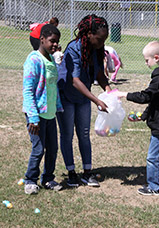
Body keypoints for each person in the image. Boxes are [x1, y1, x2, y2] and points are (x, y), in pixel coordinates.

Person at [115, 41, 159, 196]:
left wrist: (125, 94)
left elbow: (146, 96)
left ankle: (155, 187)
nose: (146, 63)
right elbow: (156, 102)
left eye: (147, 60)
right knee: (157, 156)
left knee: (152, 158)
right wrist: (143, 116)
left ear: (156, 58)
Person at [57, 14, 112, 188]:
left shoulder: (96, 49)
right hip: (66, 96)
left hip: (83, 98)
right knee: (67, 135)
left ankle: (87, 173)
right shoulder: (74, 48)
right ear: (88, 34)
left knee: (84, 134)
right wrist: (96, 100)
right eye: (100, 38)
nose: (102, 42)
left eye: (105, 39)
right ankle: (71, 172)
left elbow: (98, 74)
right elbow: (74, 80)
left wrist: (109, 90)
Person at [23, 24, 63, 194]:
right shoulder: (34, 59)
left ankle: (48, 178)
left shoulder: (52, 59)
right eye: (51, 41)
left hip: (50, 114)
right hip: (37, 115)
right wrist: (33, 117)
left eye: (57, 42)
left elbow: (53, 86)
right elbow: (28, 90)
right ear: (42, 40)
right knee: (38, 149)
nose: (55, 45)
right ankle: (30, 180)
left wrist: (58, 107)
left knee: (53, 148)